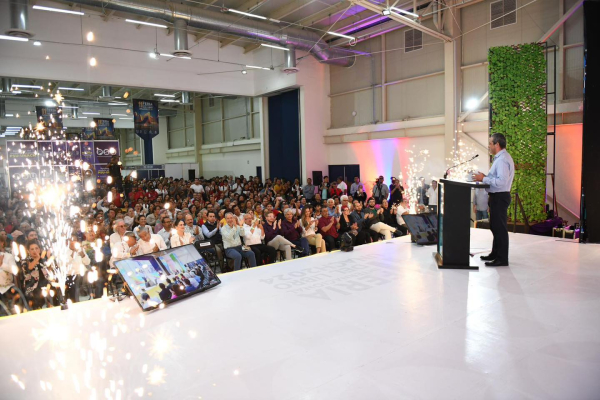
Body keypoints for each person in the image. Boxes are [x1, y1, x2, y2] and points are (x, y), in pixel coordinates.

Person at [474, 133, 515, 267]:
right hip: (497, 196)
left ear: (497, 145)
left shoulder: (502, 160)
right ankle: (495, 253)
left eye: (490, 143)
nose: (489, 146)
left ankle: (502, 258)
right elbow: (497, 178)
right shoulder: (500, 158)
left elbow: (502, 181)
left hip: (500, 196)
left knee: (500, 228)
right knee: (495, 227)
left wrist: (484, 179)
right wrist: (485, 177)